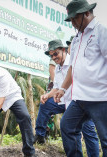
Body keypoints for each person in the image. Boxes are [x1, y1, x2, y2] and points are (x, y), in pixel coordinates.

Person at [54, 0, 107, 156]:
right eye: (70, 20)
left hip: (100, 97)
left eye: (75, 18)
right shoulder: (77, 38)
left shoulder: (101, 32)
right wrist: (63, 88)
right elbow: (72, 67)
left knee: (105, 140)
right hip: (80, 98)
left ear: (87, 13)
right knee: (67, 126)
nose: (73, 23)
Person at [33, 39, 99, 156]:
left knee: (88, 131)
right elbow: (56, 87)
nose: (53, 57)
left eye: (56, 54)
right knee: (46, 104)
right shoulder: (58, 68)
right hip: (63, 101)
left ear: (63, 50)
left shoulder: (74, 62)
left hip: (80, 103)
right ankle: (40, 135)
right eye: (51, 55)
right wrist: (47, 95)